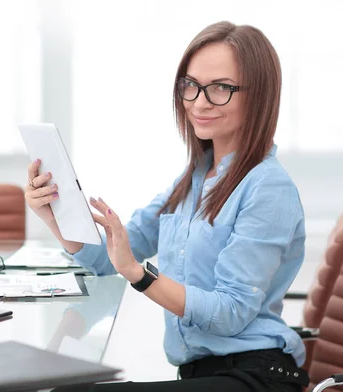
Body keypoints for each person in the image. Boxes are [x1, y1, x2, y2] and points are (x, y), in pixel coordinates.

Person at [26, 21, 310, 392]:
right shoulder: (192, 180)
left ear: (259, 96)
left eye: (221, 88)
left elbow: (229, 313)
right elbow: (106, 260)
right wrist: (55, 216)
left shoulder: (268, 187)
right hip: (204, 373)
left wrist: (139, 274)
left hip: (254, 377)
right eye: (190, 86)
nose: (199, 102)